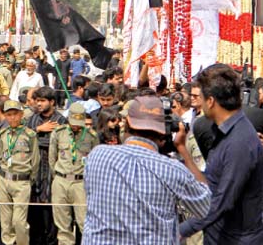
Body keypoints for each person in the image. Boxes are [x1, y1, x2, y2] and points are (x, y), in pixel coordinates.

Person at [82, 95, 210, 244]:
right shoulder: (172, 170)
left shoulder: (98, 155)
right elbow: (206, 207)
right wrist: (182, 148)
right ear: (163, 132)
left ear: (127, 123)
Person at [178, 63, 263, 244]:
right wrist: (181, 149)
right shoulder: (223, 133)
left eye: (201, 98)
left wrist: (180, 230)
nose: (200, 104)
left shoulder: (239, 141)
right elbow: (211, 184)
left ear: (210, 101)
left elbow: (222, 201)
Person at [49, 102, 99, 245]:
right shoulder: (58, 133)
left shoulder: (91, 136)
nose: (76, 126)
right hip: (61, 180)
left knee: (84, 222)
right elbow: (52, 159)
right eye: (73, 122)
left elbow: (94, 161)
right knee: (62, 224)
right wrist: (57, 177)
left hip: (80, 183)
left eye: (79, 123)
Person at [26, 85, 67, 244]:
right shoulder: (33, 119)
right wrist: (38, 129)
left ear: (51, 101)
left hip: (53, 168)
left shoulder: (61, 120)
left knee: (51, 211)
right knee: (35, 211)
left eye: (42, 101)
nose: (39, 104)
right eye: (37, 101)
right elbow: (25, 138)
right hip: (36, 168)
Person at [0, 100, 39, 245]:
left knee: (19, 222)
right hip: (3, 180)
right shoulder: (3, 133)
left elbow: (35, 161)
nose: (12, 118)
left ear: (21, 114)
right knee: (6, 222)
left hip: (22, 181)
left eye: (15, 114)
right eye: (9, 115)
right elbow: (0, 156)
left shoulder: (30, 135)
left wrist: (29, 180)